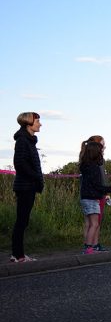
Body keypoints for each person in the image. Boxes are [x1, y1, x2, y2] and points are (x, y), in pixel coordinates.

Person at [10, 111, 44, 263]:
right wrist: (35, 176)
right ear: (28, 123)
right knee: (22, 221)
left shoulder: (28, 140)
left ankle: (17, 254)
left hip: (28, 185)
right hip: (25, 186)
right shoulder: (23, 140)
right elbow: (20, 163)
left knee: (23, 221)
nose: (40, 124)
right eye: (37, 121)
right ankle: (18, 255)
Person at [78, 140, 111, 254]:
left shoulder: (85, 166)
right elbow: (96, 185)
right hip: (92, 198)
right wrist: (109, 189)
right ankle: (89, 247)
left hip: (85, 197)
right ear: (96, 153)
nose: (102, 153)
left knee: (89, 223)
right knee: (95, 224)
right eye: (101, 151)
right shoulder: (94, 168)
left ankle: (89, 247)